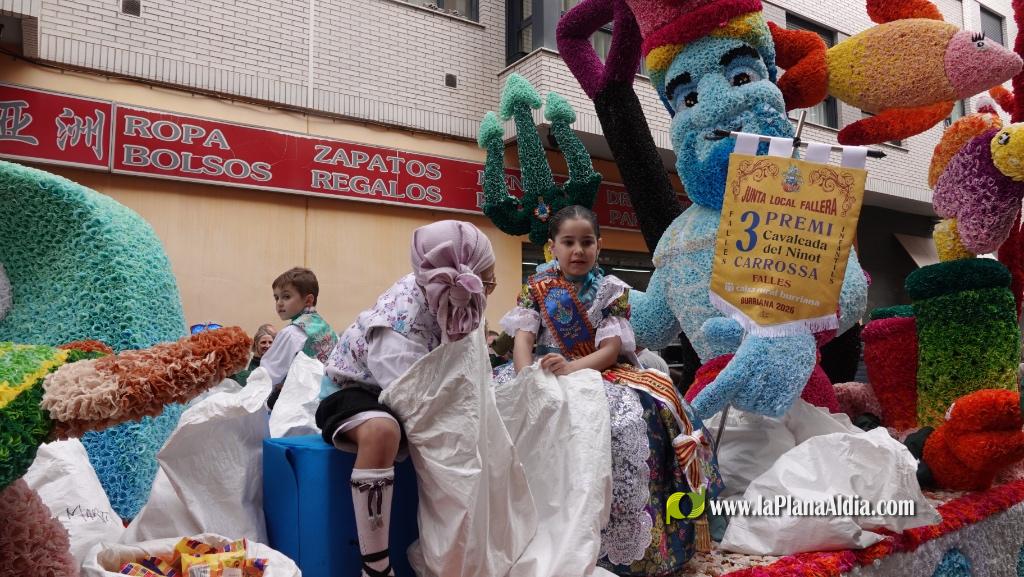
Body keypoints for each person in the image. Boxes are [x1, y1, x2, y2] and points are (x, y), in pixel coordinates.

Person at [497, 205, 719, 576]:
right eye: (568, 242)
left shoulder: (611, 290)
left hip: (595, 371)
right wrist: (526, 380)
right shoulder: (537, 289)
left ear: (599, 245)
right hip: (541, 372)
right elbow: (523, 340)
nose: (578, 250)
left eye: (586, 242)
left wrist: (571, 369)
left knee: (629, 422)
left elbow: (611, 350)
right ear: (553, 247)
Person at [316, 220, 496, 577]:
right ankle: (376, 566)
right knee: (383, 431)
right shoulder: (400, 322)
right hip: (356, 389)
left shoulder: (459, 299)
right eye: (488, 277)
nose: (491, 286)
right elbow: (409, 395)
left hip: (410, 389)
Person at [261, 267, 337, 409]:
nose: (279, 303)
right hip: (328, 403)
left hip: (298, 408)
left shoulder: (292, 333)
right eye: (276, 298)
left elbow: (267, 376)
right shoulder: (327, 329)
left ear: (308, 300)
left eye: (286, 296)